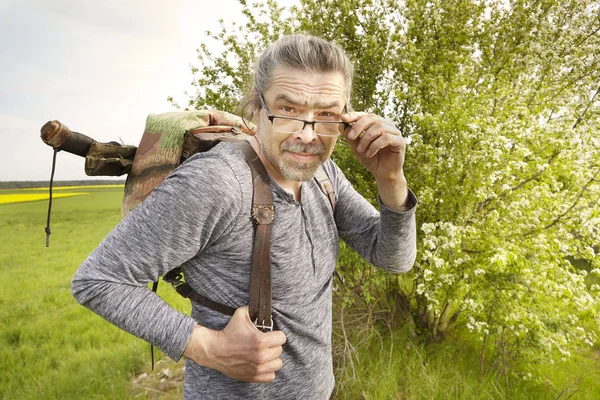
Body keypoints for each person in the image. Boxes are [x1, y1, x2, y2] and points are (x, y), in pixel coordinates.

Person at [72, 34, 417, 399]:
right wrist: (210, 348)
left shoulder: (324, 175)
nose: (307, 135)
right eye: (287, 110)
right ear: (256, 105)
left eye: (326, 115)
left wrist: (391, 178)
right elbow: (97, 280)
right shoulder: (217, 182)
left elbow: (393, 258)